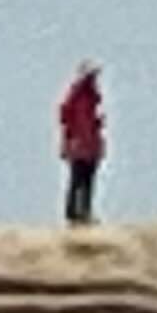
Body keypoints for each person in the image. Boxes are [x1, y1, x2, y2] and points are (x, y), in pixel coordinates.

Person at [56, 60, 107, 225]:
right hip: (80, 146)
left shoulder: (92, 99)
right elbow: (67, 120)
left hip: (89, 145)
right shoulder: (77, 97)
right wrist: (69, 142)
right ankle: (74, 214)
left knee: (87, 181)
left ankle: (84, 213)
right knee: (78, 181)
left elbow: (91, 122)